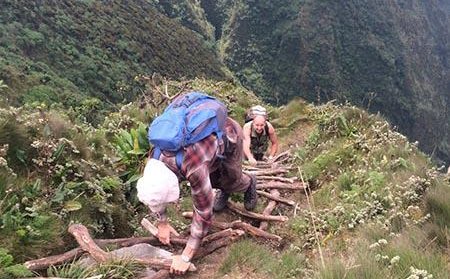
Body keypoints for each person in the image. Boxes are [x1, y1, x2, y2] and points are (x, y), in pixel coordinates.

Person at [136, 94, 257, 275]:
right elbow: (155, 195)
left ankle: (249, 184)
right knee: (214, 181)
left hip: (229, 136)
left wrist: (186, 255)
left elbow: (203, 212)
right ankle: (223, 188)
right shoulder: (155, 158)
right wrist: (162, 223)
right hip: (207, 150)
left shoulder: (192, 165)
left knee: (231, 181)